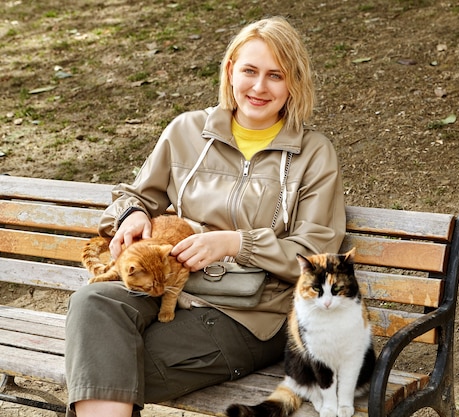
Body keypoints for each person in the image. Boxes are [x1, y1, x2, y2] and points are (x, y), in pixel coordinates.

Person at [64, 16, 346, 417]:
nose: (259, 87)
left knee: (103, 366)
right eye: (249, 70)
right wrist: (131, 214)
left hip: (252, 315)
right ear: (230, 70)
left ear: (293, 83)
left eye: (275, 76)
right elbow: (134, 195)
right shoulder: (187, 131)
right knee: (94, 303)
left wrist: (237, 243)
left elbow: (317, 258)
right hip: (172, 291)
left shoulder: (315, 154)